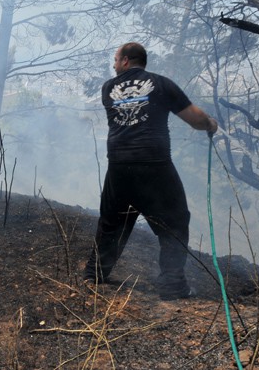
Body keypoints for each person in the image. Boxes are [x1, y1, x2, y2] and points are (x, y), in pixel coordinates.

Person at [83, 42, 218, 300]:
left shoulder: (108, 88)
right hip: (154, 166)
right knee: (174, 223)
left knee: (113, 222)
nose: (113, 65)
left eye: (115, 60)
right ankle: (172, 287)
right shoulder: (162, 84)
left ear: (125, 61)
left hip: (119, 166)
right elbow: (196, 119)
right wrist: (211, 124)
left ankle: (94, 275)